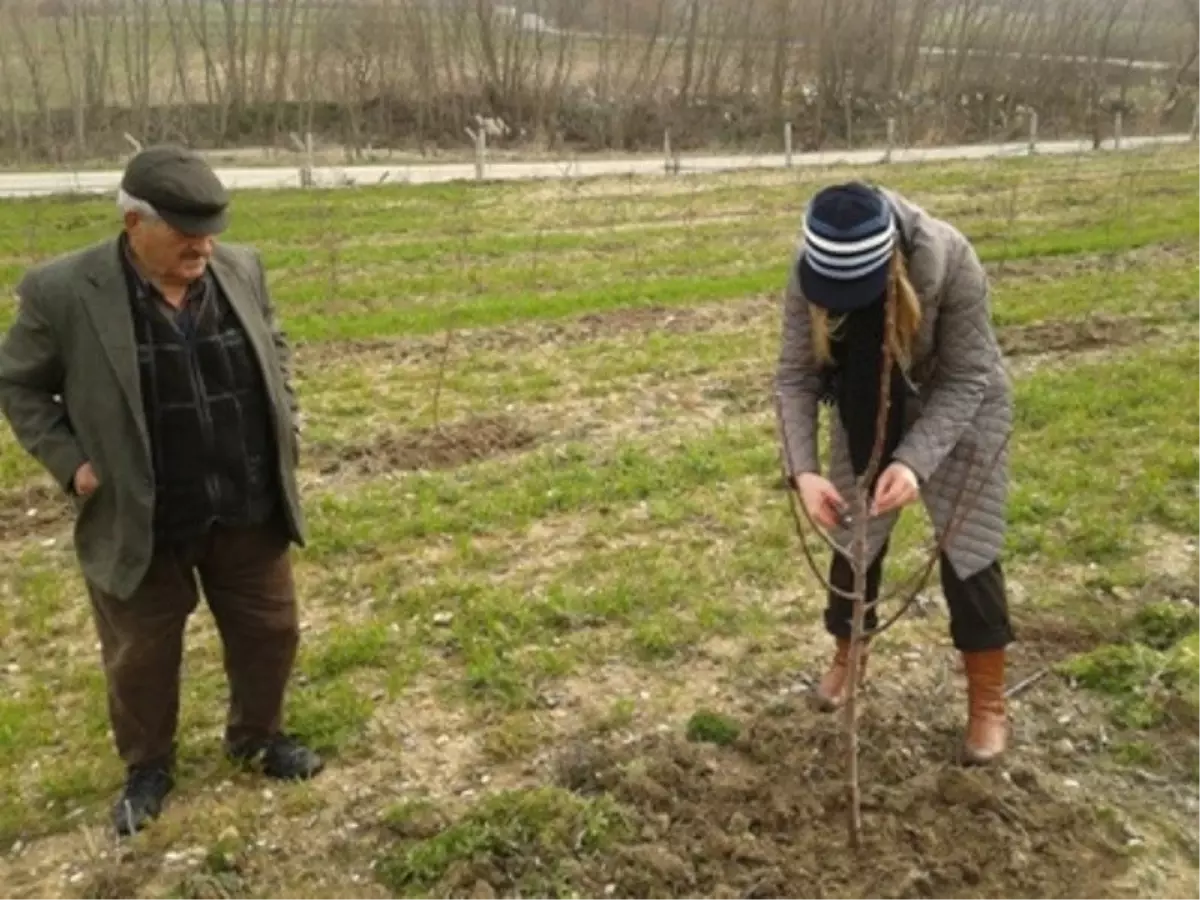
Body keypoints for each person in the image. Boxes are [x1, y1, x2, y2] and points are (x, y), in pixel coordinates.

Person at [0, 144, 323, 837]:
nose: (202, 245)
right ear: (133, 223)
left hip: (245, 501)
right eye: (184, 231)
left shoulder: (241, 268)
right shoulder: (62, 291)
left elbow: (275, 344)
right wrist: (72, 463)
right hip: (140, 512)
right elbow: (19, 383)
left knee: (270, 632)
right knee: (141, 653)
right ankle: (148, 766)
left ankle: (257, 737)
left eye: (210, 229)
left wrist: (285, 418)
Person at [775, 181, 1015, 766]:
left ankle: (988, 703)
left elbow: (967, 376)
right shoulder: (808, 267)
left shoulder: (951, 259)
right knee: (853, 534)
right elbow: (794, 375)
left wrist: (913, 462)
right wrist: (802, 472)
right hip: (865, 401)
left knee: (969, 548)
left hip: (961, 405)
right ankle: (847, 659)